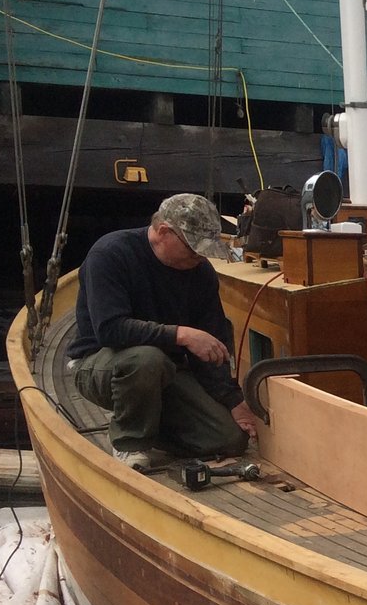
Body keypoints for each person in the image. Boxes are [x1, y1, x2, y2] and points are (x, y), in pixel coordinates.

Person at [67, 193, 258, 470]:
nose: (199, 257)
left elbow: (211, 344)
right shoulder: (110, 254)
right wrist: (182, 334)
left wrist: (233, 400)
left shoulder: (200, 273)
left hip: (165, 371)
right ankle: (129, 443)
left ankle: (146, 421)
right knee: (146, 360)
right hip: (101, 364)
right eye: (193, 249)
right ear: (163, 232)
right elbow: (110, 329)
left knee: (229, 439)